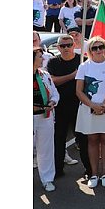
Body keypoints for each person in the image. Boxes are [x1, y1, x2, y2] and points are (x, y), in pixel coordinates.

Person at [75, 36, 105, 189]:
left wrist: (104, 105)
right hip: (88, 108)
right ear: (90, 50)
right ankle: (94, 174)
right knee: (92, 140)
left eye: (101, 47)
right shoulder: (84, 66)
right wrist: (93, 106)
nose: (98, 50)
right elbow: (79, 91)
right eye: (94, 48)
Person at [47, 34, 88, 179]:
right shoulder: (53, 62)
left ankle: (89, 170)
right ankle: (57, 170)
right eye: (63, 46)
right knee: (59, 140)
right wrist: (72, 75)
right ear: (58, 47)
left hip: (80, 106)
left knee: (83, 139)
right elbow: (52, 81)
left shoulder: (82, 61)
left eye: (69, 45)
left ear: (74, 45)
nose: (66, 48)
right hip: (60, 107)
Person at [34, 48, 60, 192]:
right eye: (39, 57)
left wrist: (53, 102)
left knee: (46, 149)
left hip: (45, 117)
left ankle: (47, 179)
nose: (43, 59)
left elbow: (55, 93)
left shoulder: (45, 75)